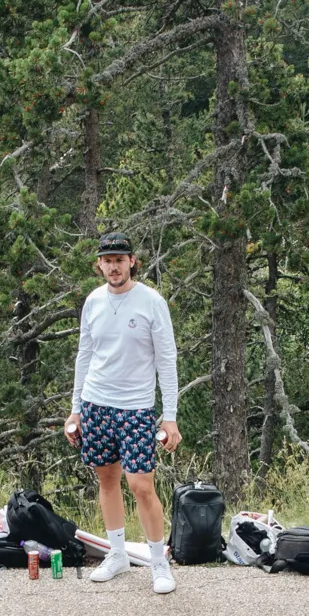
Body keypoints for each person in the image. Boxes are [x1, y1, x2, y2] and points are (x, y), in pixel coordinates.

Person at [64, 231, 180, 596]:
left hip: (136, 407)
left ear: (132, 262)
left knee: (141, 484)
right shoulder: (94, 301)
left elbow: (167, 359)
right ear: (99, 265)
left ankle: (159, 563)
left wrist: (170, 415)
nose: (114, 267)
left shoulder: (150, 301)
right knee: (106, 478)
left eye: (120, 260)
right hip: (96, 402)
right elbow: (85, 355)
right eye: (107, 261)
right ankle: (116, 554)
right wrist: (76, 409)